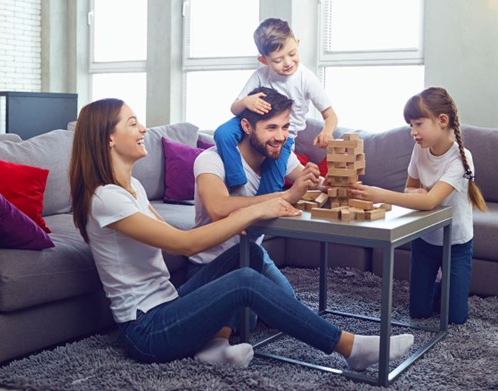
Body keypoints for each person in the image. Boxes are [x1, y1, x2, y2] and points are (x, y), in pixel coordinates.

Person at [69, 98, 415, 371]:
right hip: (145, 330)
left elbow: (173, 233)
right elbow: (183, 243)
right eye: (133, 123)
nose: (144, 128)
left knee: (243, 255)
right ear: (109, 137)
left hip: (167, 304)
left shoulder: (132, 188)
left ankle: (213, 347)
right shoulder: (105, 198)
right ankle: (350, 348)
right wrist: (253, 210)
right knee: (246, 282)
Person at [349, 87, 488, 324]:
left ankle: (450, 290)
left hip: (456, 242)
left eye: (418, 124)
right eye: (410, 125)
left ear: (442, 121)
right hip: (425, 239)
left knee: (455, 317)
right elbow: (410, 189)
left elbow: (429, 200)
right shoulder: (419, 150)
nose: (413, 132)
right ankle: (440, 291)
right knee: (419, 312)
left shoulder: (461, 157)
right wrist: (418, 195)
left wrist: (381, 194)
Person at [190, 86, 320, 299]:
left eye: (285, 127)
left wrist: (322, 180)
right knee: (247, 319)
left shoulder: (280, 156)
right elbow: (218, 208)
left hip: (252, 254)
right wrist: (287, 195)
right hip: (211, 263)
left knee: (287, 300)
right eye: (271, 128)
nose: (280, 136)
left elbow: (312, 183)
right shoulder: (210, 159)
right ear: (246, 126)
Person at [214, 17, 338, 194]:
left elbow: (331, 115)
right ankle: (237, 179)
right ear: (264, 60)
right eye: (278, 60)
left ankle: (266, 202)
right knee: (222, 133)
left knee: (272, 178)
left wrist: (327, 132)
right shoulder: (260, 75)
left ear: (297, 43)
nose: (287, 63)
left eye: (292, 54)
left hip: (283, 137)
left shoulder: (306, 79)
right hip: (251, 126)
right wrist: (245, 102)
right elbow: (234, 108)